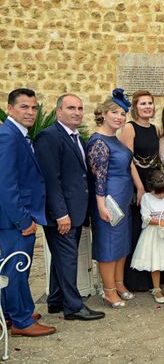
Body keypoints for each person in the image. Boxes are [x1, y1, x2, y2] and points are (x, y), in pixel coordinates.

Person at [34, 93, 104, 321]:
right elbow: (51, 179)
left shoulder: (76, 137)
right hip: (61, 214)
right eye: (71, 108)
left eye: (80, 108)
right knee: (68, 258)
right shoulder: (49, 137)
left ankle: (55, 301)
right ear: (58, 112)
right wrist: (61, 214)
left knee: (62, 258)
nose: (76, 112)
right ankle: (73, 307)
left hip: (76, 212)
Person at [0, 88, 56, 336]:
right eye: (24, 107)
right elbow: (6, 184)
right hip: (13, 220)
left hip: (16, 217)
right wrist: (23, 219)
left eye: (34, 107)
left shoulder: (18, 135)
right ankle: (22, 321)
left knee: (11, 268)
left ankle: (13, 312)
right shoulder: (8, 137)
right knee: (17, 268)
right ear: (10, 108)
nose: (31, 112)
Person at [87, 89, 134, 308]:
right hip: (109, 200)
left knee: (121, 243)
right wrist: (101, 205)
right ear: (103, 114)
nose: (119, 117)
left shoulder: (114, 139)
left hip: (123, 197)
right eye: (114, 112)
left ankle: (119, 283)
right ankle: (108, 291)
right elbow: (99, 176)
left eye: (123, 114)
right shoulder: (98, 141)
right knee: (108, 244)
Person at [119, 90, 160, 292]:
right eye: (143, 103)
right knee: (137, 228)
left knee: (151, 231)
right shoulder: (129, 128)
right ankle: (134, 280)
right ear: (135, 107)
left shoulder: (155, 128)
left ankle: (152, 278)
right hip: (137, 183)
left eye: (150, 103)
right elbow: (128, 160)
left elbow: (156, 158)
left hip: (153, 183)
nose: (147, 107)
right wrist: (140, 187)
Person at [130, 170, 164, 304]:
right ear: (150, 189)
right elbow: (145, 217)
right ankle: (156, 288)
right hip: (153, 233)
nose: (161, 195)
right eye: (158, 193)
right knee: (155, 262)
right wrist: (158, 222)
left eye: (163, 192)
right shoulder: (146, 198)